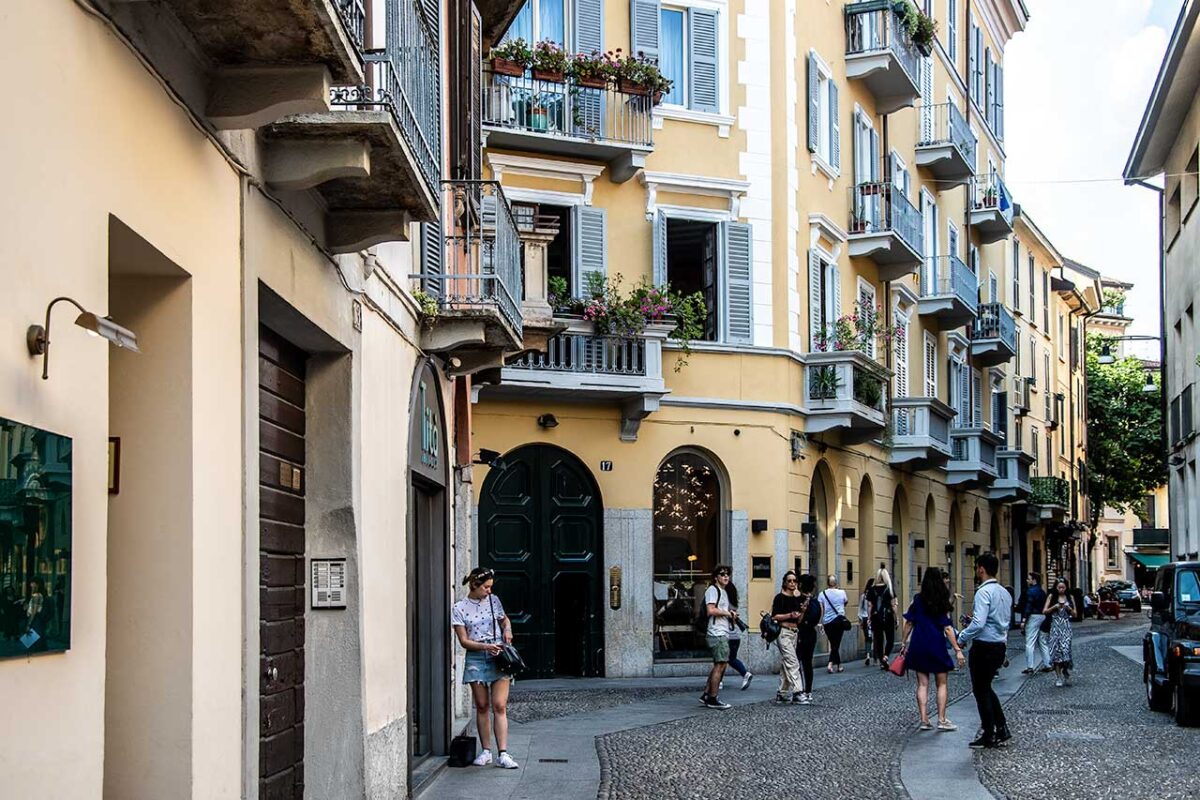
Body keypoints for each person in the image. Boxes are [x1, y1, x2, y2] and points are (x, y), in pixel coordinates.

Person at [451, 567, 520, 769]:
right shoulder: (459, 608)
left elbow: (504, 619)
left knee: (499, 705)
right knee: (482, 706)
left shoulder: (494, 600)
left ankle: (504, 754)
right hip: (476, 658)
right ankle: (486, 751)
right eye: (486, 587)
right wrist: (484, 646)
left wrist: (507, 630)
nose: (489, 590)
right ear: (474, 585)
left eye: (491, 587)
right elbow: (463, 641)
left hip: (499, 656)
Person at [957, 552, 1012, 749]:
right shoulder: (1004, 592)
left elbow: (979, 623)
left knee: (980, 690)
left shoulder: (983, 592)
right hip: (999, 644)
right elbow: (1000, 620)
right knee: (986, 687)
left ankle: (989, 733)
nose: (976, 571)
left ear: (981, 568)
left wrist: (962, 636)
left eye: (976, 567)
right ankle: (1001, 727)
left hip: (984, 646)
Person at [900, 569, 967, 731]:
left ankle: (924, 720)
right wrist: (957, 649)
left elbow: (909, 623)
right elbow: (948, 628)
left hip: (918, 644)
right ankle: (942, 719)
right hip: (936, 645)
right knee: (942, 683)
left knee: (922, 684)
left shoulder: (917, 599)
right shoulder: (941, 601)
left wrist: (903, 642)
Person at [700, 565, 737, 710]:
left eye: (727, 574)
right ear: (716, 577)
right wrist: (728, 613)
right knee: (720, 665)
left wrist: (731, 615)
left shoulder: (723, 591)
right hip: (716, 633)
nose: (726, 577)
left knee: (720, 664)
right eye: (722, 574)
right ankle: (713, 698)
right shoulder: (713, 590)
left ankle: (706, 694)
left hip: (722, 631)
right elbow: (711, 610)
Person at [771, 571, 805, 703]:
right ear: (785, 582)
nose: (792, 583)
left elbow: (800, 620)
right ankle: (798, 692)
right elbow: (775, 616)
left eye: (794, 581)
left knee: (787, 663)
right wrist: (790, 615)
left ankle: (783, 692)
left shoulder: (798, 598)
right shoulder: (779, 598)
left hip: (794, 632)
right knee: (793, 662)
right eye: (789, 581)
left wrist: (802, 611)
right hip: (783, 632)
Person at [722, 574, 754, 691]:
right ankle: (744, 674)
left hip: (726, 635)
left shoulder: (724, 604)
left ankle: (744, 674)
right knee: (729, 659)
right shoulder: (734, 603)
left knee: (722, 660)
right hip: (735, 636)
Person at [794, 573, 822, 704]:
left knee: (796, 662)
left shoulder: (798, 601)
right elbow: (818, 618)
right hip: (811, 633)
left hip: (800, 633)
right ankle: (808, 691)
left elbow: (797, 619)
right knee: (807, 663)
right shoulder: (816, 602)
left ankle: (799, 689)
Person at [1043, 579, 1075, 688]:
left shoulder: (1070, 597)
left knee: (1065, 651)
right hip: (1055, 627)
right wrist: (1054, 607)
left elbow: (1076, 614)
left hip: (1066, 627)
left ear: (1066, 587)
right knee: (1056, 653)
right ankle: (1058, 676)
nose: (1061, 589)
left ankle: (1065, 670)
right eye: (1059, 587)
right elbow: (1044, 611)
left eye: (1063, 587)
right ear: (1056, 587)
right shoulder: (1052, 597)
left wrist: (1069, 608)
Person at [1020, 572, 1051, 675]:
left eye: (1029, 579)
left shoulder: (1030, 591)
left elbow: (1028, 606)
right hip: (1042, 616)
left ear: (1034, 580)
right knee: (1042, 641)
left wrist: (1024, 620)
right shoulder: (1042, 591)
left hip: (1033, 616)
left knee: (1030, 642)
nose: (1027, 580)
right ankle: (1048, 664)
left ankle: (1030, 667)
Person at [819, 575, 849, 673]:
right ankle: (831, 664)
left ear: (827, 583)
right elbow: (845, 602)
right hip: (839, 621)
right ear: (836, 583)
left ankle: (839, 665)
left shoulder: (822, 594)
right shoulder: (842, 592)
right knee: (836, 644)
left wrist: (821, 622)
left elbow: (822, 609)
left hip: (827, 622)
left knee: (834, 644)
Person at [868, 567, 897, 669]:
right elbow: (894, 605)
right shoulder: (889, 588)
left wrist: (869, 618)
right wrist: (896, 618)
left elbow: (870, 606)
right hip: (888, 615)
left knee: (878, 640)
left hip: (876, 616)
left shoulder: (871, 589)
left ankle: (881, 661)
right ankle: (885, 657)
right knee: (890, 639)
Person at [859, 577, 875, 665]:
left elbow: (860, 609)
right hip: (873, 618)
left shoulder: (863, 595)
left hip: (865, 618)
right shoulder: (875, 594)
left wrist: (860, 619)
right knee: (875, 637)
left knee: (867, 638)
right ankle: (876, 656)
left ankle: (868, 655)